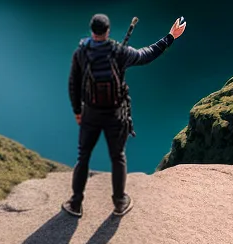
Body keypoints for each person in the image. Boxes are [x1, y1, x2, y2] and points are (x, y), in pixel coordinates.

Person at [64, 13, 186, 218]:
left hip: (91, 114)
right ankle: (120, 202)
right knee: (117, 157)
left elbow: (73, 85)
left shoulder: (81, 53)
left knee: (83, 156)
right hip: (116, 113)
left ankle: (76, 203)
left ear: (92, 31)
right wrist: (170, 37)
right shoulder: (118, 52)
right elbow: (146, 54)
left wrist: (77, 111)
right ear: (108, 31)